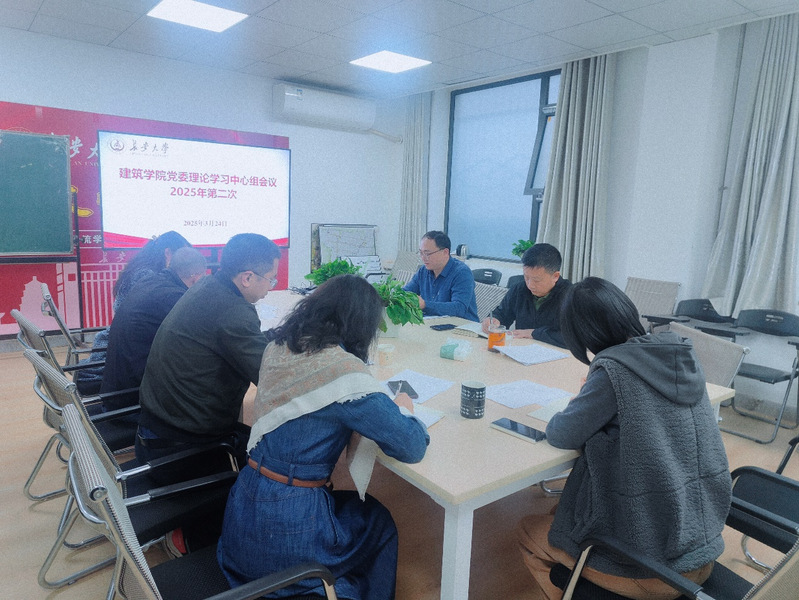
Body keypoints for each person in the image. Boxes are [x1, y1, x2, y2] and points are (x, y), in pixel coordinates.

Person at [516, 277, 731, 600]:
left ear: (581, 332)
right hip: (702, 548)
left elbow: (561, 433)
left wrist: (585, 398)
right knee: (559, 511)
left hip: (653, 571)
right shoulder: (678, 355)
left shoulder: (614, 370)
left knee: (526, 530)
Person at [217, 274, 429, 600]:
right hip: (288, 529)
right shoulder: (342, 374)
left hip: (243, 513)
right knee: (376, 521)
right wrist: (403, 408)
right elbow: (411, 446)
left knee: (353, 513)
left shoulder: (278, 346)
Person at [135, 233, 281, 475]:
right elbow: (272, 378)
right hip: (180, 450)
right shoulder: (234, 311)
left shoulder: (208, 285)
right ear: (247, 278)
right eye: (271, 279)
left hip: (154, 430)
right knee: (276, 454)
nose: (270, 287)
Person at [74, 231, 191, 394]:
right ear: (168, 254)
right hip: (116, 364)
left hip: (115, 351)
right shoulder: (149, 278)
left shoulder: (142, 269)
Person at [99, 246, 207, 411]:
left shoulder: (150, 281)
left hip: (116, 391)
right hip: (134, 403)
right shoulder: (174, 298)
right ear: (196, 278)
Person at [481, 243, 570, 348]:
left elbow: (575, 337)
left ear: (555, 276)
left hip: (558, 354)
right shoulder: (519, 289)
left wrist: (533, 333)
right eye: (526, 277)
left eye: (536, 280)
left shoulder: (572, 296)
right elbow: (502, 313)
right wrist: (494, 320)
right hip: (521, 350)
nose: (530, 285)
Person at [403, 230, 478, 321]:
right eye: (421, 253)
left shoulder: (462, 272)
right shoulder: (423, 271)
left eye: (427, 254)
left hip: (461, 326)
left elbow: (459, 308)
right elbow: (406, 292)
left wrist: (425, 305)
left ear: (445, 252)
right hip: (433, 323)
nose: (423, 258)